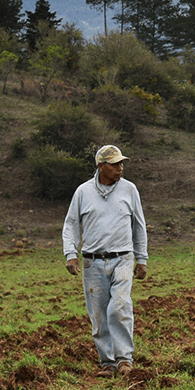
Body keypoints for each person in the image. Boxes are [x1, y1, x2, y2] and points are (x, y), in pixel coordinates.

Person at [62, 145, 149, 377]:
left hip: (122, 259)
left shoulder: (130, 190)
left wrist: (142, 258)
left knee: (119, 307)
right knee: (99, 315)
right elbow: (71, 225)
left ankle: (124, 359)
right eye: (115, 164)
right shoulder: (83, 192)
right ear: (101, 167)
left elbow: (138, 226)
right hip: (92, 262)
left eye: (122, 163)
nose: (121, 168)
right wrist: (70, 253)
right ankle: (108, 363)